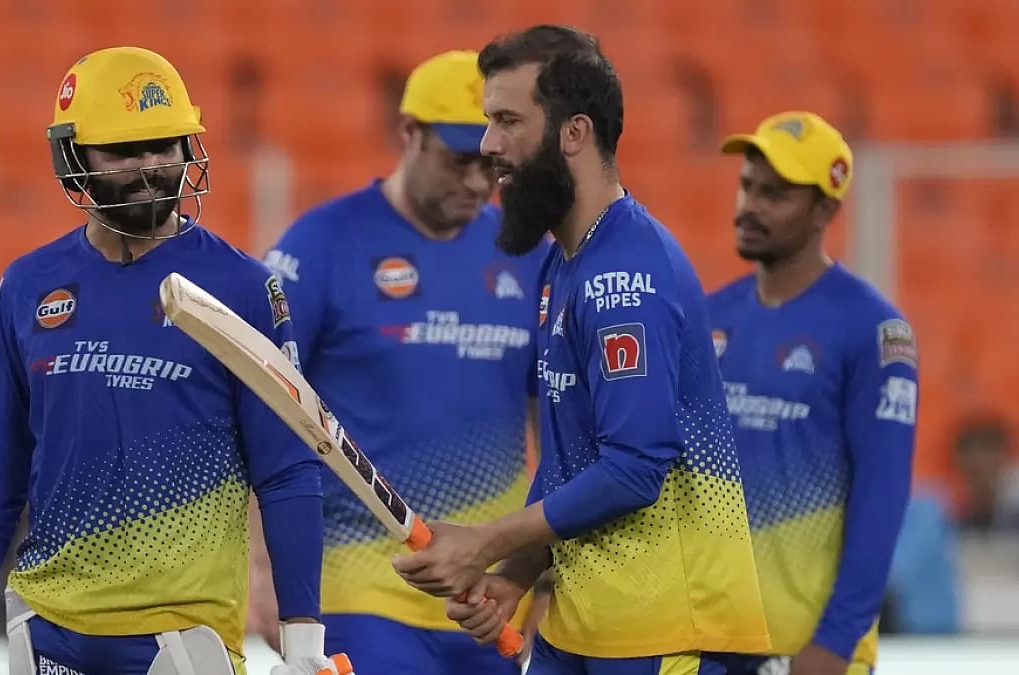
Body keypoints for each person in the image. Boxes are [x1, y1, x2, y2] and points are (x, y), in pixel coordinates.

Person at [0, 46, 351, 675]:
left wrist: (304, 642)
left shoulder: (245, 289)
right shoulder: (28, 286)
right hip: (45, 631)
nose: (149, 167)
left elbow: (284, 471)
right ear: (75, 161)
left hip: (184, 635)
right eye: (123, 151)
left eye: (165, 146)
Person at [391, 24, 771, 674]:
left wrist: (484, 541)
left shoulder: (628, 275)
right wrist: (514, 574)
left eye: (507, 120)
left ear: (574, 132)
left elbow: (633, 468)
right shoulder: (564, 263)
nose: (488, 146)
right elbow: (574, 457)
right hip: (585, 622)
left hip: (669, 633)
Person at [257, 49, 550, 674]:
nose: (476, 183)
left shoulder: (526, 255)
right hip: (359, 593)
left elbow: (557, 424)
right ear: (409, 133)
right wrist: (260, 565)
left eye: (491, 166)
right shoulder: (321, 246)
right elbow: (258, 402)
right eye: (458, 161)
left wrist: (543, 574)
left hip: (484, 604)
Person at [706, 111, 920, 675]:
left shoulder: (874, 331)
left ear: (826, 209)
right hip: (707, 644)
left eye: (774, 194)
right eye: (747, 185)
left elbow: (883, 497)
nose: (749, 205)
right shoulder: (711, 316)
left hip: (810, 650)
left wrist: (836, 641)